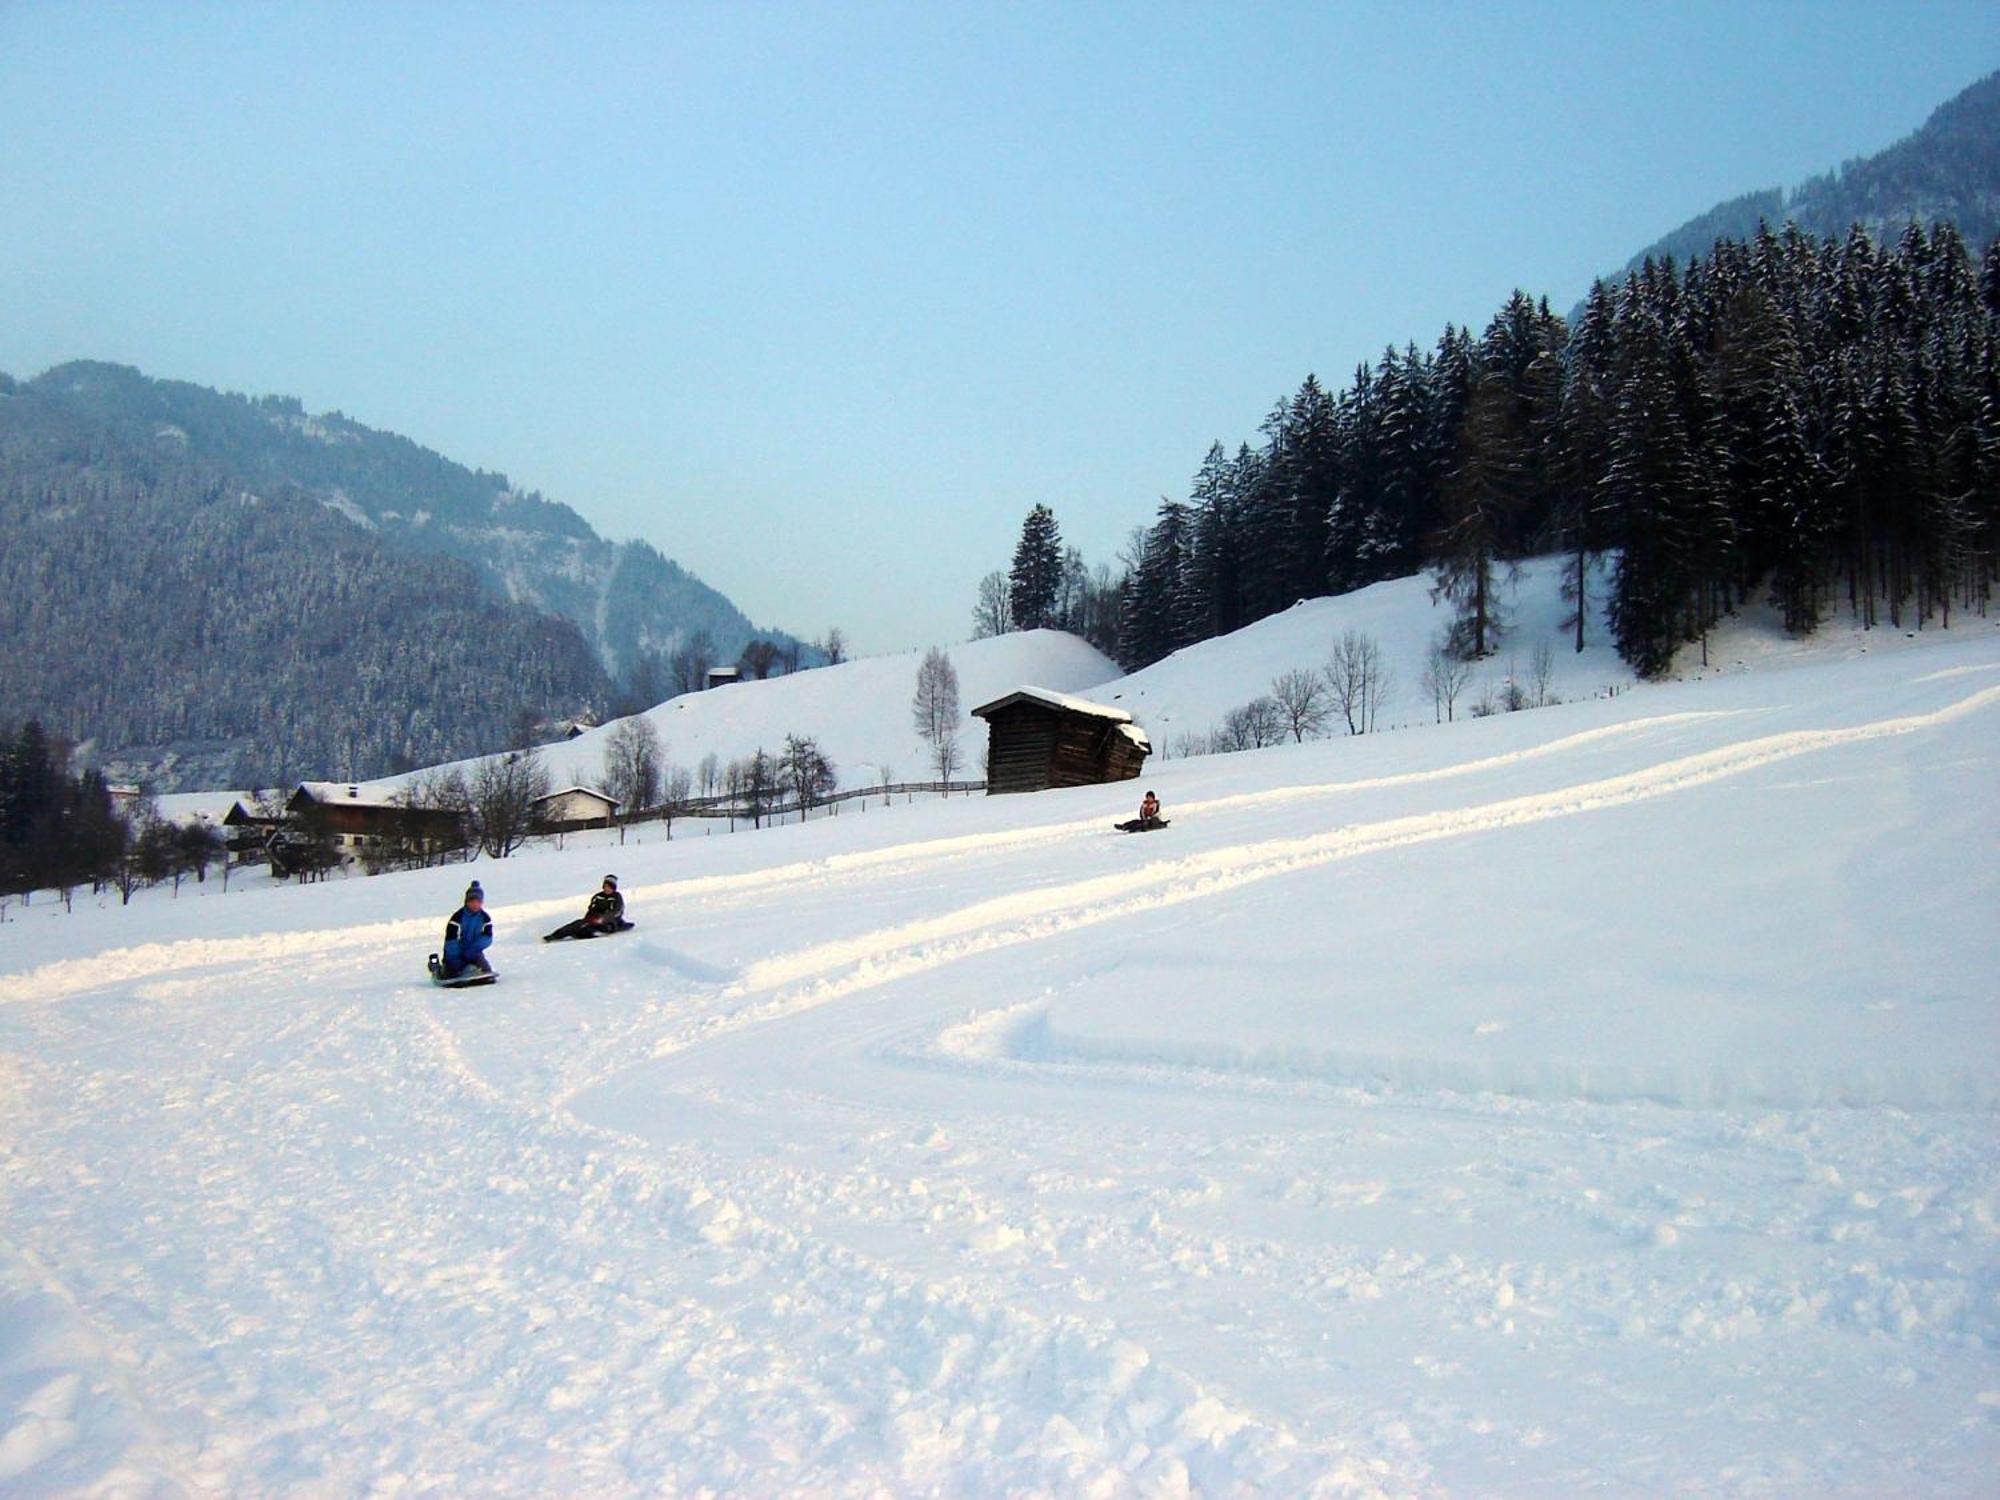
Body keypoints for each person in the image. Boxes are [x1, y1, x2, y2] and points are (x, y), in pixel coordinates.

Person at [543, 874, 631, 942]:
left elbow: (617, 911)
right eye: (606, 886)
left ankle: (591, 933)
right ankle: (555, 935)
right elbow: (591, 909)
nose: (607, 889)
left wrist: (604, 918)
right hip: (595, 919)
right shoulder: (598, 896)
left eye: (610, 887)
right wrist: (589, 918)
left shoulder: (617, 897)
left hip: (610, 922)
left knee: (594, 927)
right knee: (578, 923)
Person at [437, 881, 495, 978]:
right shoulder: (457, 918)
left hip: (473, 952)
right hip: (456, 955)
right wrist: (458, 955)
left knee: (486, 973)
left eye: (478, 902)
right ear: (466, 902)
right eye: (472, 901)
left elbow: (487, 938)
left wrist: (473, 949)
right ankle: (439, 969)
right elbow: (451, 940)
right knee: (453, 973)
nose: (475, 904)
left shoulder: (485, 918)